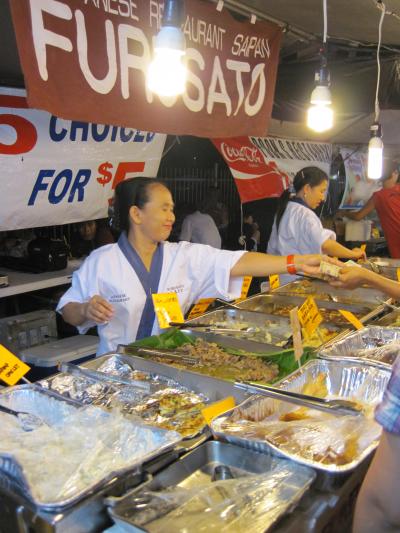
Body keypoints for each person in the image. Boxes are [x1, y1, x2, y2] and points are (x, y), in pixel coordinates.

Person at [57, 177, 326, 355]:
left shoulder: (182, 256)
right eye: (164, 208)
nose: (172, 216)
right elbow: (68, 312)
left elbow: (235, 261)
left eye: (172, 209)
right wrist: (85, 309)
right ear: (136, 214)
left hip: (169, 363)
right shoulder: (102, 261)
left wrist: (294, 262)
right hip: (113, 369)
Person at [267, 167, 366, 280]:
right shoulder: (305, 215)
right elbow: (325, 245)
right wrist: (353, 254)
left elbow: (272, 248)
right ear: (307, 189)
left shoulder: (286, 208)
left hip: (283, 278)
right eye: (322, 191)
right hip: (299, 280)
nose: (323, 198)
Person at [341, 166, 400, 258]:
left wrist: (343, 213)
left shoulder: (378, 197)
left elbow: (358, 216)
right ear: (394, 173)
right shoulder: (380, 196)